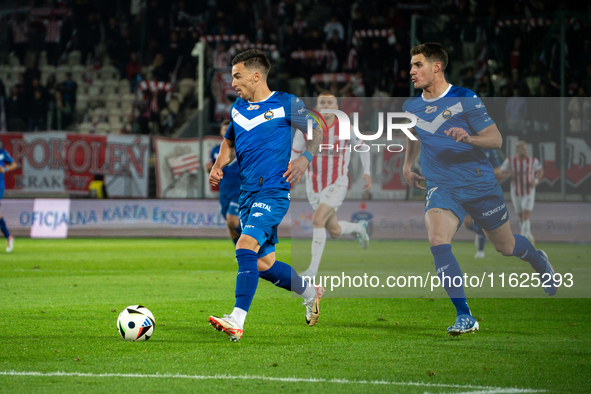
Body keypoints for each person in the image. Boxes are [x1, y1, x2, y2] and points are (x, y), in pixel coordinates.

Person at [402, 43, 557, 337]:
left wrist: (469, 139)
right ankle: (464, 315)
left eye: (418, 64)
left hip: (478, 184)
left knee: (506, 246)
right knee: (437, 239)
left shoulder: (465, 99)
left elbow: (496, 139)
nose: (412, 71)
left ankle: (539, 261)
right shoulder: (411, 106)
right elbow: (412, 133)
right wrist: (407, 165)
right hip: (441, 186)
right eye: (411, 65)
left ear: (437, 67)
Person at [208, 49, 324, 342]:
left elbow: (318, 130)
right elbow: (228, 142)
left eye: (237, 76)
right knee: (264, 265)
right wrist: (219, 165)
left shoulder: (286, 103)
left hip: (272, 190)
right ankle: (311, 292)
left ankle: (237, 319)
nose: (233, 82)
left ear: (256, 76)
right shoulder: (238, 107)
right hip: (246, 193)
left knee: (244, 246)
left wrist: (305, 158)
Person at [291, 91, 371, 281]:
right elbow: (295, 153)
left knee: (318, 219)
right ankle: (359, 228)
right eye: (322, 102)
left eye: (330, 102)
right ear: (317, 106)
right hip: (314, 185)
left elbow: (363, 147)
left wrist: (366, 171)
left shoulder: (345, 126)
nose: (326, 105)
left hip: (337, 182)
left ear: (336, 106)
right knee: (333, 230)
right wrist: (292, 174)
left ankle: (311, 271)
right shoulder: (306, 127)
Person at [463, 149, 506, 258]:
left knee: (483, 220)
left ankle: (480, 251)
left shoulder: (489, 149)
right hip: (467, 189)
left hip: (483, 190)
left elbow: (499, 170)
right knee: (467, 223)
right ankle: (481, 232)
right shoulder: (463, 145)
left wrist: (482, 172)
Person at [500, 141, 544, 245]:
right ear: (517, 150)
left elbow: (540, 171)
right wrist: (508, 174)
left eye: (526, 148)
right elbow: (501, 172)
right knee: (521, 218)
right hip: (516, 193)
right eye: (523, 149)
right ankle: (529, 236)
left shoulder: (532, 160)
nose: (525, 151)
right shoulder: (510, 161)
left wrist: (535, 181)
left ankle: (523, 241)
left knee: (525, 216)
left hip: (529, 192)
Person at [206, 119, 242, 246]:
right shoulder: (216, 151)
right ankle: (242, 253)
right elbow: (212, 169)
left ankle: (252, 244)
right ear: (221, 132)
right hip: (224, 191)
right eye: (224, 129)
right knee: (229, 224)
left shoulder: (242, 148)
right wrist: (210, 169)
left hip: (239, 189)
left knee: (232, 220)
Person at [0, 147, 17, 252]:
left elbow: (14, 164)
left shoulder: (2, 153)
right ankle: (8, 236)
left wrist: (4, 169)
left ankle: (8, 236)